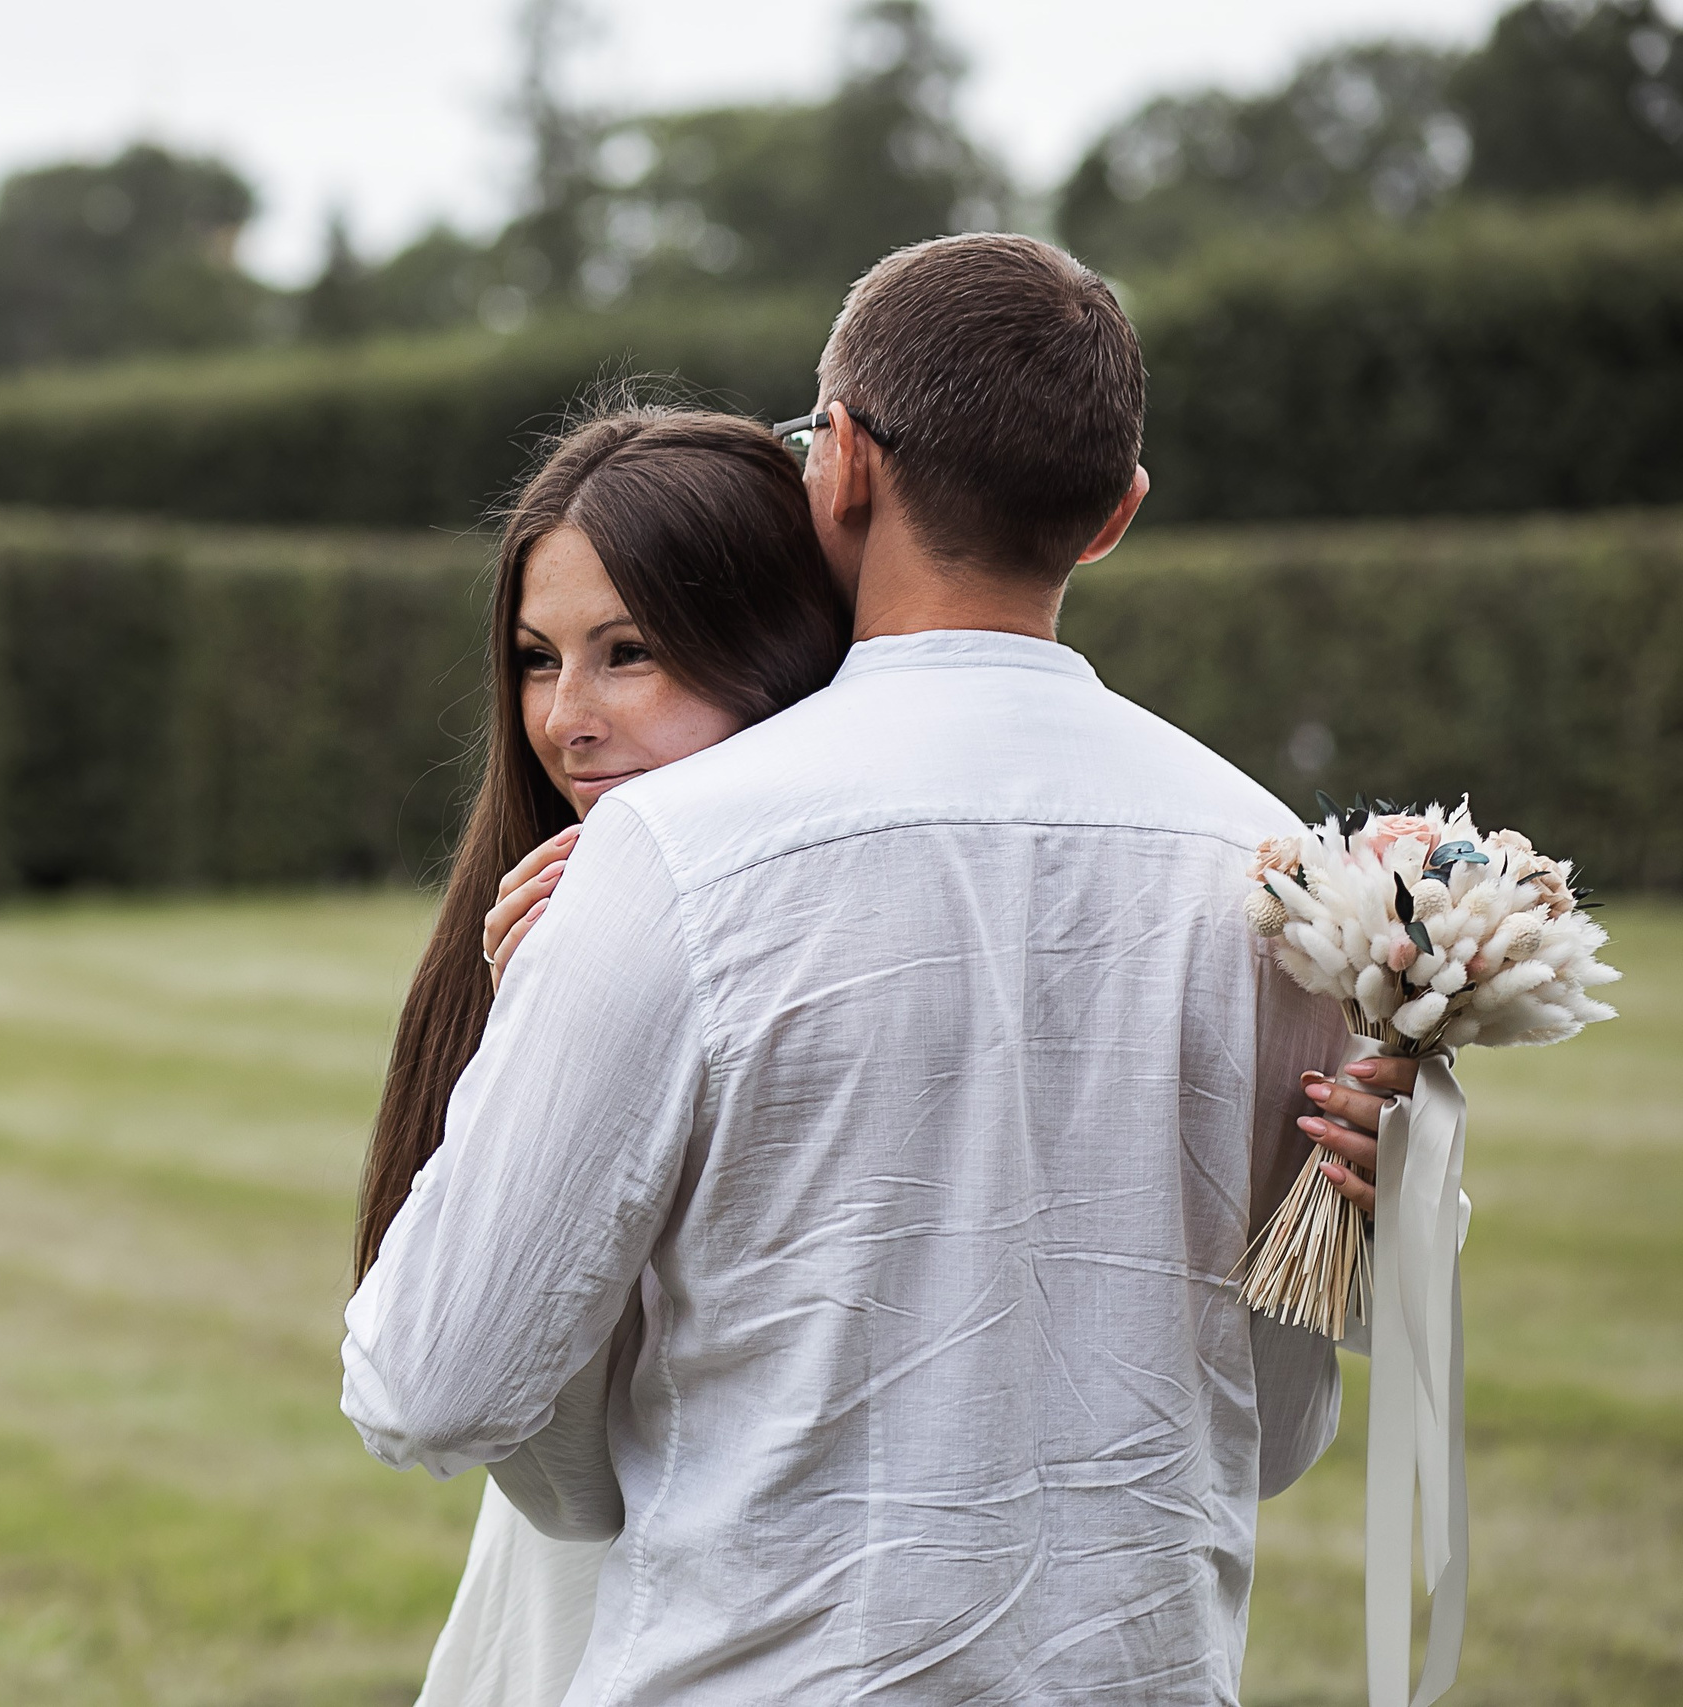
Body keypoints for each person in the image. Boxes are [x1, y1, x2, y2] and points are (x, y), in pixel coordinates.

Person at [343, 233, 1408, 1706]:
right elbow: (1276, 1431)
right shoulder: (1279, 870)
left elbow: (431, 1385)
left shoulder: (676, 854)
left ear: (838, 463)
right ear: (1114, 516)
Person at [354, 403, 852, 1707]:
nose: (567, 718)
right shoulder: (535, 921)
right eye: (536, 659)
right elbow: (568, 1474)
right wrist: (545, 1056)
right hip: (575, 1613)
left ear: (776, 644)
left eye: (628, 652)